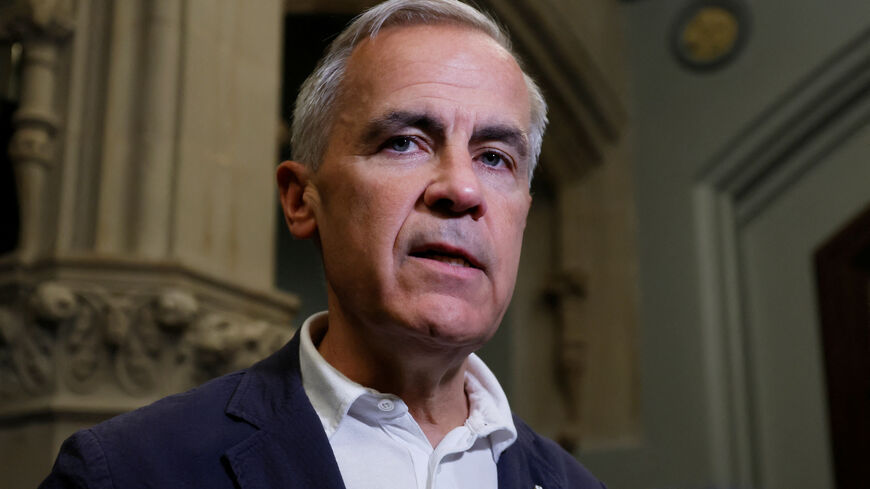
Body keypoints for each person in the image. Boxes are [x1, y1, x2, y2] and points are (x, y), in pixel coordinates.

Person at [40, 1, 606, 488]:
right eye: (404, 143)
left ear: (522, 217)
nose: (460, 188)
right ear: (301, 199)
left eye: (494, 158)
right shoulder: (128, 471)